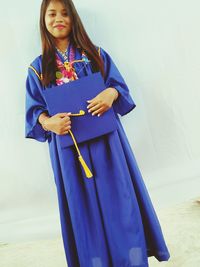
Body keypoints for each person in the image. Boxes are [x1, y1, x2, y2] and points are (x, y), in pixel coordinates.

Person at [25, 0, 170, 266]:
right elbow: (34, 113)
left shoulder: (95, 55)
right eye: (52, 13)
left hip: (107, 142)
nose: (59, 18)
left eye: (65, 13)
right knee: (82, 211)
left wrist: (110, 93)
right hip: (70, 150)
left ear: (74, 18)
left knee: (120, 201)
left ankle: (131, 260)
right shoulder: (37, 69)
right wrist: (49, 123)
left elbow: (120, 89)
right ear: (43, 20)